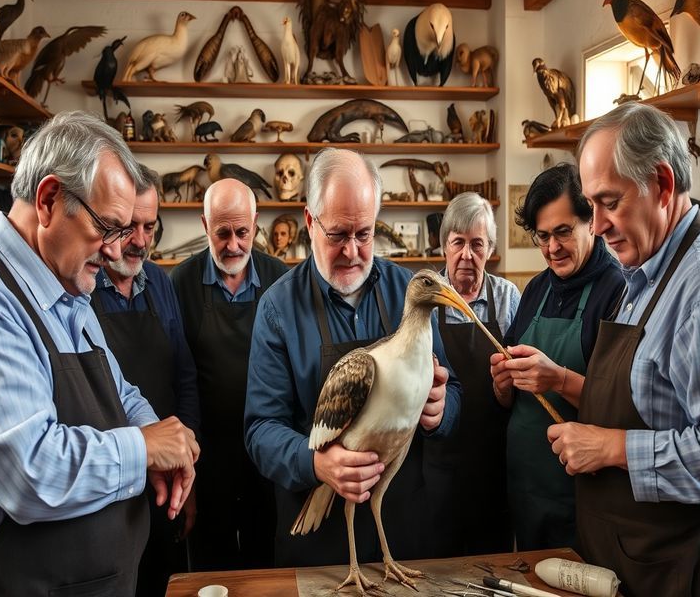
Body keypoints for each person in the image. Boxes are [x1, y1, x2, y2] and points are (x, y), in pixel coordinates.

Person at [0, 111, 199, 596]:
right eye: (107, 227)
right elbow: (31, 470)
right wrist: (143, 448)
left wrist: (161, 436)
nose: (115, 251)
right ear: (48, 200)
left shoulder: (70, 287)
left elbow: (117, 391)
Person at [548, 102, 700, 596]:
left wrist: (612, 447)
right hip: (625, 564)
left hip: (677, 571)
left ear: (662, 185)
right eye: (591, 205)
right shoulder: (641, 273)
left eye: (609, 202)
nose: (595, 225)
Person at [244, 147, 461, 567]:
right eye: (338, 235)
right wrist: (317, 463)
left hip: (400, 531)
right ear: (310, 222)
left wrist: (440, 408)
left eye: (363, 234)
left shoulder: (409, 291)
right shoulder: (277, 309)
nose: (352, 251)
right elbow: (260, 429)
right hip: (316, 541)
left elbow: (453, 390)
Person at [490, 163, 625, 551]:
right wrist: (502, 384)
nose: (551, 248)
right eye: (542, 236)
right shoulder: (535, 289)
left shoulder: (616, 291)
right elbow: (510, 396)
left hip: (581, 496)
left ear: (592, 222)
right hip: (526, 492)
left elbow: (621, 408)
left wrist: (557, 378)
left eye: (563, 232)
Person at [90, 166, 201, 597]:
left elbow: (185, 379)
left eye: (149, 227)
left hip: (166, 484)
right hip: (107, 485)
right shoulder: (81, 284)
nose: (139, 240)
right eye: (128, 226)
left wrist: (187, 468)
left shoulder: (160, 282)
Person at [171, 178, 289, 570]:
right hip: (207, 463)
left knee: (267, 572)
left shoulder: (281, 279)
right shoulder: (181, 284)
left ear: (256, 225)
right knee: (209, 572)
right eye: (222, 233)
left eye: (243, 232)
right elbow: (178, 381)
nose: (234, 245)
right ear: (205, 226)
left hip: (269, 462)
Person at [425, 191, 520, 557]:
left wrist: (509, 388)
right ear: (444, 246)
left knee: (492, 562)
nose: (467, 255)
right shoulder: (427, 298)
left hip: (493, 462)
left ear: (490, 249)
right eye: (458, 243)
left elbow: (522, 380)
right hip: (438, 464)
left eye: (477, 244)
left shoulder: (508, 298)